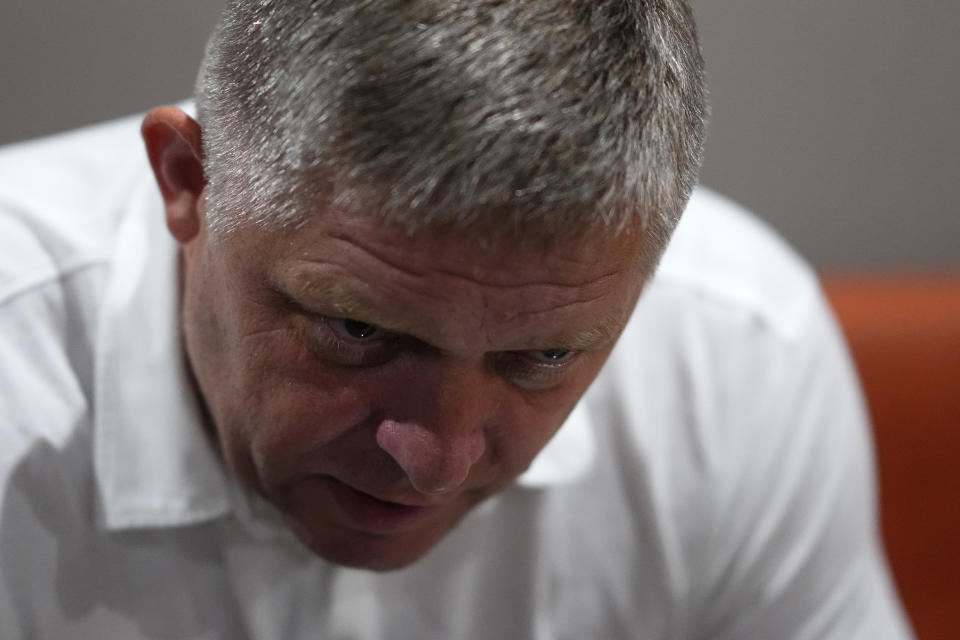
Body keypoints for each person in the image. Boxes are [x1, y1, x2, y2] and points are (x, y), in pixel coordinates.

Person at [0, 0, 912, 637]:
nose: (435, 460)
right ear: (190, 183)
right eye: (358, 332)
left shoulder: (739, 360)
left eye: (542, 355)